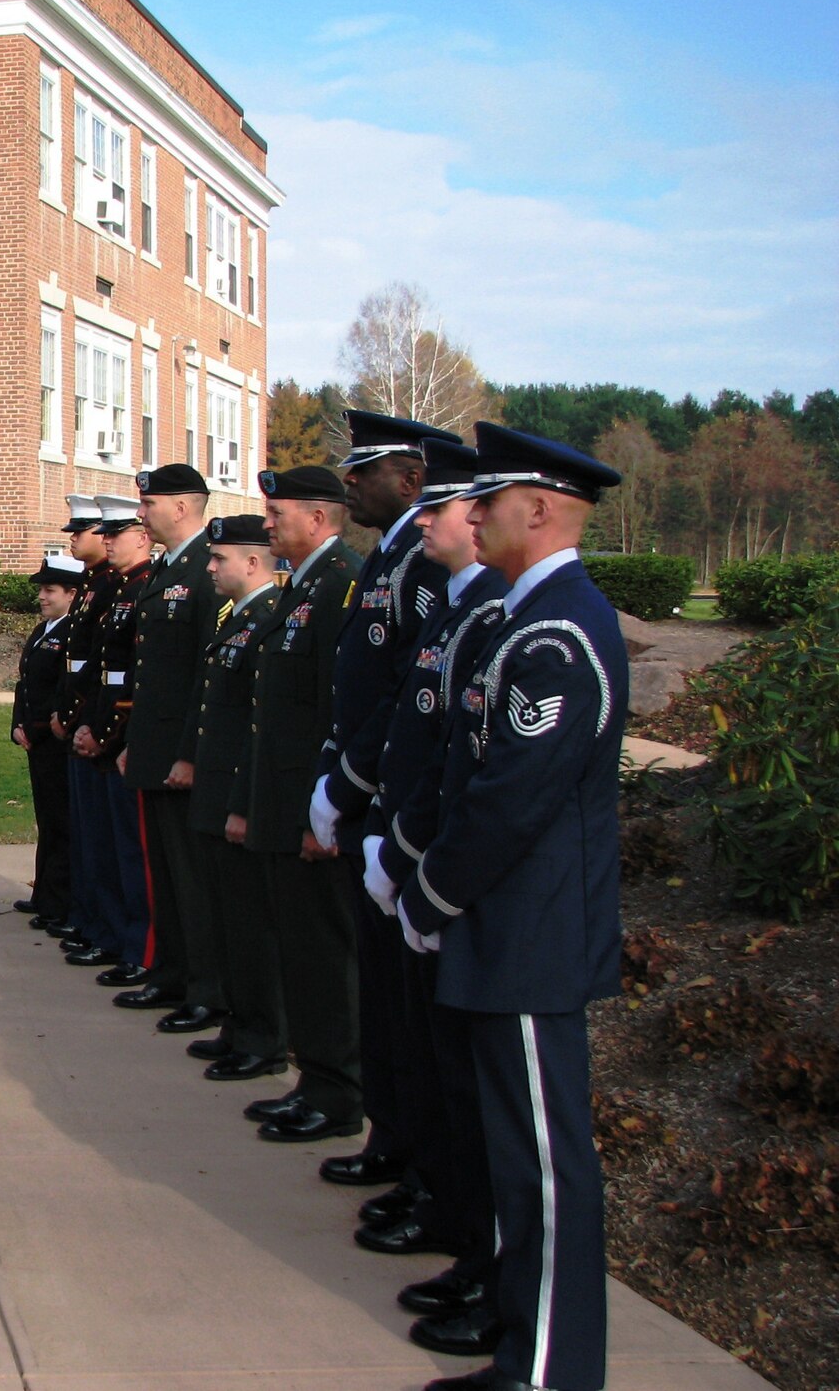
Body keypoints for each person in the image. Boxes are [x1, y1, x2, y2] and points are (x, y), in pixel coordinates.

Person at [397, 423, 627, 1391]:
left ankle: (545, 1372)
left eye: (487, 499)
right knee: (513, 1163)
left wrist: (429, 889)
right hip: (501, 931)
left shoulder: (558, 629)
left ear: (536, 509)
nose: (469, 512)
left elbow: (510, 799)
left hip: (527, 935)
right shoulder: (527, 619)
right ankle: (523, 1352)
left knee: (543, 1168)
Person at [356, 439, 511, 1357]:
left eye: (448, 510)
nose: (432, 525)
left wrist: (410, 856)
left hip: (447, 878)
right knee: (421, 1046)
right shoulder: (457, 608)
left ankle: (469, 1239)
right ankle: (446, 1214)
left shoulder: (498, 615)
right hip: (405, 845)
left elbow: (484, 775)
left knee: (463, 1079)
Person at [308, 410, 457, 1192]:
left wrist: (352, 781)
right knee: (383, 994)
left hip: (392, 801)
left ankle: (413, 1161)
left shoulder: (424, 565)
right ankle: (390, 1142)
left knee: (403, 1001)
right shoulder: (388, 560)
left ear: (411, 478)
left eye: (363, 472)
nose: (351, 484)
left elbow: (409, 690)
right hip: (369, 794)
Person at [229, 465, 364, 1140]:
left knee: (322, 956)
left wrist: (325, 811)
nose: (269, 522)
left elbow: (335, 710)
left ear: (317, 520)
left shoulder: (341, 585)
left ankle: (338, 1096)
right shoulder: (304, 585)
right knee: (301, 953)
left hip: (311, 809)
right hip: (284, 802)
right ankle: (315, 1082)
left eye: (278, 512)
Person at [115, 464, 224, 1030]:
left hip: (185, 755)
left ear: (181, 507)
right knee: (165, 872)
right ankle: (171, 974)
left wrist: (188, 752)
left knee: (192, 878)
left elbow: (208, 674)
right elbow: (150, 673)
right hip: (155, 749)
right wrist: (137, 742)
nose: (141, 513)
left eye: (149, 503)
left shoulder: (210, 567)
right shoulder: (168, 568)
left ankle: (206, 987)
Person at [183, 515, 289, 1080]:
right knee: (228, 918)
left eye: (220, 558)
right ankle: (239, 1025)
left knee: (251, 925)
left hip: (237, 791)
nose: (211, 566)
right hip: (218, 788)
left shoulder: (268, 616)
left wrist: (243, 802)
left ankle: (263, 1038)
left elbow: (258, 723)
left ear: (252, 563)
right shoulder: (239, 618)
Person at [71, 496, 156, 979]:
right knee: (101, 843)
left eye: (115, 533)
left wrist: (107, 733)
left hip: (117, 732)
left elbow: (133, 675)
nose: (105, 540)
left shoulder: (142, 588)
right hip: (99, 725)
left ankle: (132, 944)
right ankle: (105, 930)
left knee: (128, 851)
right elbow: (98, 669)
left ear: (141, 537)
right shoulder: (116, 588)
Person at [51, 495, 119, 955]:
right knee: (89, 836)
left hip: (103, 725)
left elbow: (110, 667)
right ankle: (90, 917)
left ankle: (108, 929)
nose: (75, 538)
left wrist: (90, 721)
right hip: (82, 719)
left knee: (110, 844)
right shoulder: (95, 582)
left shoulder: (116, 584)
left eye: (85, 531)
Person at [11, 555, 89, 932]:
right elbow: (25, 685)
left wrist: (38, 727)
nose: (42, 597)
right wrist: (17, 725)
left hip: (55, 741)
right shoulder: (45, 629)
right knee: (47, 820)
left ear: (72, 593)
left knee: (62, 821)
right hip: (36, 740)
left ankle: (59, 902)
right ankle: (44, 892)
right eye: (41, 590)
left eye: (49, 590)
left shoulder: (73, 632)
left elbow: (64, 692)